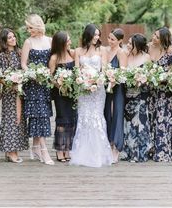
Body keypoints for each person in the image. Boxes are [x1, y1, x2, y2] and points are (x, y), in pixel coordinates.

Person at [70, 23, 113, 167]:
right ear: (88, 35)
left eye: (98, 35)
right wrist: (82, 82)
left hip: (98, 90)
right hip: (83, 89)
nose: (97, 37)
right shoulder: (78, 51)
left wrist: (96, 83)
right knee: (84, 117)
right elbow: (76, 70)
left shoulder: (102, 50)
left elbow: (104, 70)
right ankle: (83, 153)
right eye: (95, 34)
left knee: (96, 117)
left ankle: (99, 153)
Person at [21, 14, 54, 165]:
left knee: (42, 115)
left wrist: (49, 73)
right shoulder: (28, 42)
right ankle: (44, 151)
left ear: (37, 25)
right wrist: (32, 74)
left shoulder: (50, 41)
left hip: (45, 84)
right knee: (37, 115)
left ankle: (35, 147)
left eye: (30, 27)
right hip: (33, 85)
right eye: (28, 28)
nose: (28, 30)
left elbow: (53, 61)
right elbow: (23, 64)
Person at [0, 28, 29, 163]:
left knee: (19, 119)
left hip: (20, 91)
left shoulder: (19, 52)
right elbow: (1, 76)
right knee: (10, 119)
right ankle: (10, 151)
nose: (13, 39)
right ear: (5, 41)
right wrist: (12, 84)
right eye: (10, 38)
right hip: (9, 92)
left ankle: (15, 149)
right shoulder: (2, 56)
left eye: (14, 36)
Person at [122, 34, 152, 162]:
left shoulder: (146, 58)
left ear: (137, 45)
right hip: (128, 95)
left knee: (140, 122)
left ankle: (140, 152)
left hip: (141, 95)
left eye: (130, 43)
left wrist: (142, 80)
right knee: (128, 123)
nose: (128, 45)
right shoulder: (126, 56)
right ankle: (129, 151)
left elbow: (150, 77)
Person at [148, 27, 172, 162]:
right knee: (152, 119)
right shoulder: (149, 48)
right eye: (154, 34)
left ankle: (163, 151)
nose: (154, 37)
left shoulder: (170, 52)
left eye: (157, 36)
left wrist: (162, 77)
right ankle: (152, 149)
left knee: (163, 120)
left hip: (164, 93)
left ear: (163, 40)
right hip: (151, 92)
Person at [49, 31, 77, 162]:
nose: (70, 42)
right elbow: (50, 77)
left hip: (72, 92)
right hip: (60, 93)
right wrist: (60, 86)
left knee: (71, 120)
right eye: (68, 40)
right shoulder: (54, 58)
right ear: (62, 43)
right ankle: (60, 150)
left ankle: (68, 149)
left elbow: (77, 71)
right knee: (62, 120)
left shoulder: (72, 54)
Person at [104, 28, 127, 163]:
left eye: (113, 39)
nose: (110, 41)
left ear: (119, 41)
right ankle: (108, 143)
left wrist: (114, 79)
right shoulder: (105, 51)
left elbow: (123, 72)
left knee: (116, 114)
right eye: (109, 38)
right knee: (107, 114)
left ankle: (116, 147)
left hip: (117, 88)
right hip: (105, 88)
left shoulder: (121, 53)